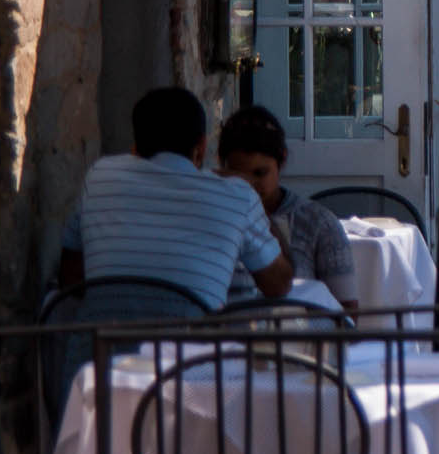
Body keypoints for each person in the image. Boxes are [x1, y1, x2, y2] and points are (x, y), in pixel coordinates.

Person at [59, 87, 292, 309]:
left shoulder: (100, 176)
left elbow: (71, 279)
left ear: (135, 146)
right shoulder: (237, 195)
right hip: (192, 348)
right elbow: (279, 285)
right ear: (201, 148)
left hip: (102, 346)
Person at [218, 105, 359, 313]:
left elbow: (348, 313)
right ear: (222, 168)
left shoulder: (317, 223)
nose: (249, 185)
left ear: (282, 160)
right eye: (238, 175)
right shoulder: (211, 217)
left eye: (260, 173)